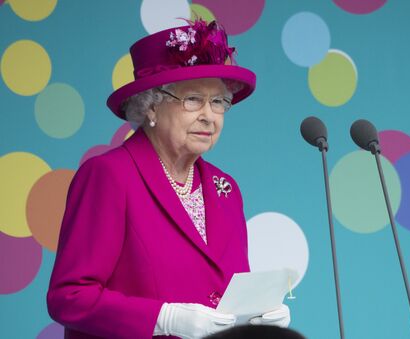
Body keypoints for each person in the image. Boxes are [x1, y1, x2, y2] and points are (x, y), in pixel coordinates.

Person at [46, 19, 290, 338]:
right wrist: (163, 318)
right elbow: (69, 297)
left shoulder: (226, 188)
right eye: (193, 99)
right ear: (151, 106)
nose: (209, 116)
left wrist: (255, 316)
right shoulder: (109, 176)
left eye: (218, 101)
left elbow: (226, 297)